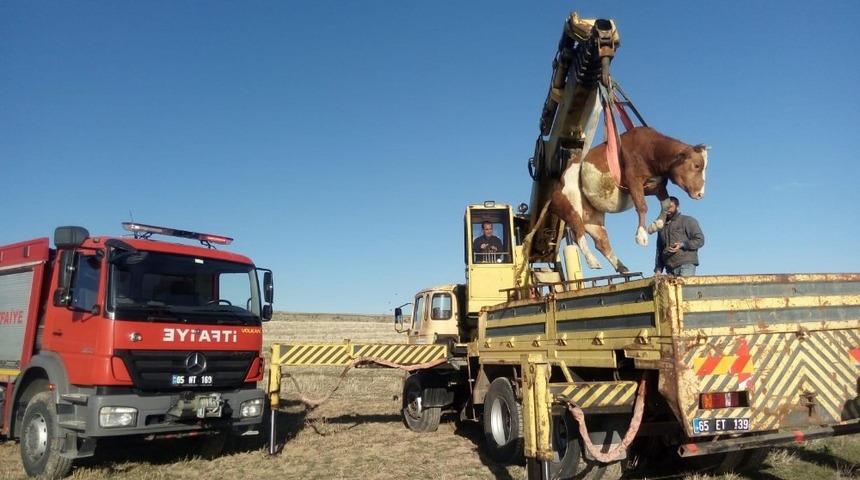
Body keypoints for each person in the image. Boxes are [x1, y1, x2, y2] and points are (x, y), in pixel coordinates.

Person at [654, 196, 704, 277]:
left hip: (686, 264)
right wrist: (658, 269)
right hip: (669, 268)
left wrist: (682, 245)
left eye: (670, 207)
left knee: (684, 286)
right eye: (665, 207)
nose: (667, 210)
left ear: (677, 207)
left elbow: (700, 240)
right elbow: (659, 250)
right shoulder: (661, 227)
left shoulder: (688, 220)